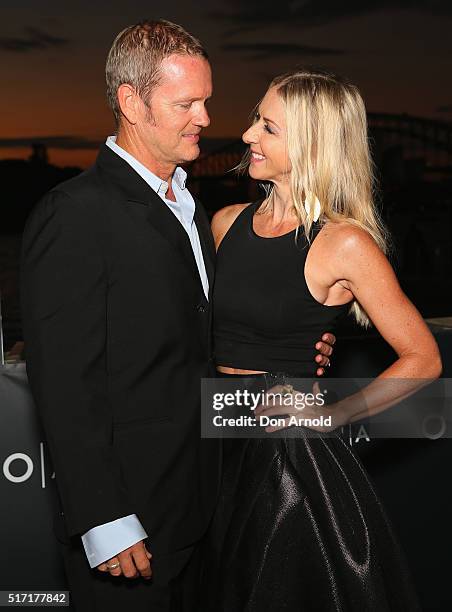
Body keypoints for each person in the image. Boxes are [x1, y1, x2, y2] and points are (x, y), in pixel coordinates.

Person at [20, 22, 334, 611]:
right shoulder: (75, 215)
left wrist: (295, 340)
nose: (206, 118)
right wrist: (104, 519)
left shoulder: (197, 209)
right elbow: (64, 382)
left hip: (212, 508)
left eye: (207, 100)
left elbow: (201, 333)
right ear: (131, 102)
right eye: (186, 103)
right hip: (130, 525)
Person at [203, 70, 442, 611]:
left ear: (310, 144)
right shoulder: (224, 224)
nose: (247, 137)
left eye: (268, 127)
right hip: (214, 439)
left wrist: (335, 414)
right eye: (254, 121)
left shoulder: (346, 244)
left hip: (286, 464)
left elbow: (423, 359)